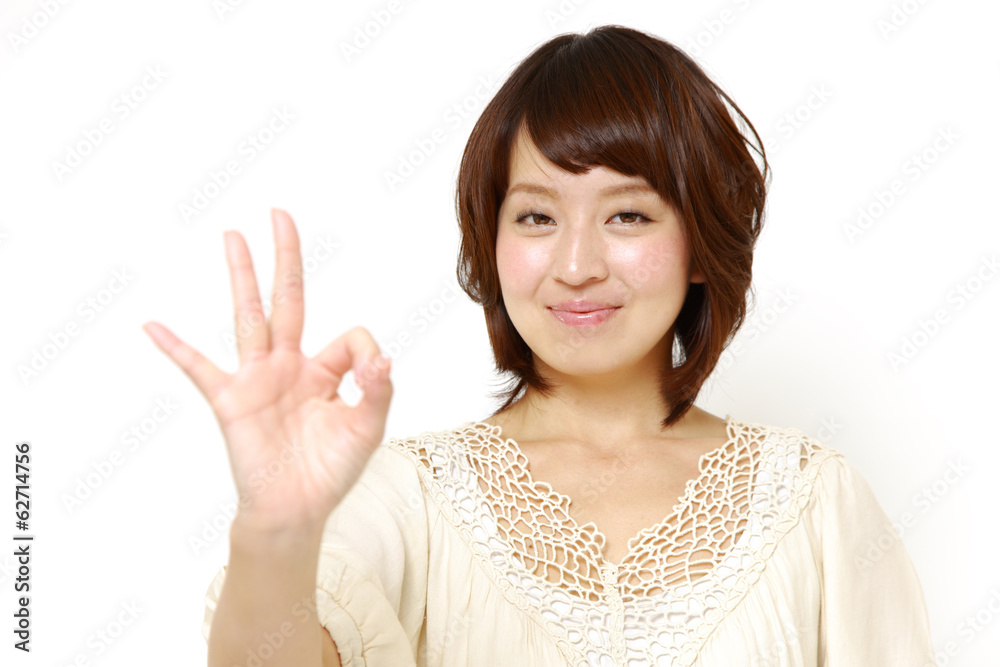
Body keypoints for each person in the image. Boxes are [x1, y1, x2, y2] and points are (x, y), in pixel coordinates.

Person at [144, 24, 934, 667]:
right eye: (535, 216)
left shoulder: (816, 505)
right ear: (491, 243)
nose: (577, 264)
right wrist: (275, 528)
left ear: (699, 242)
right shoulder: (406, 501)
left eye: (627, 214)